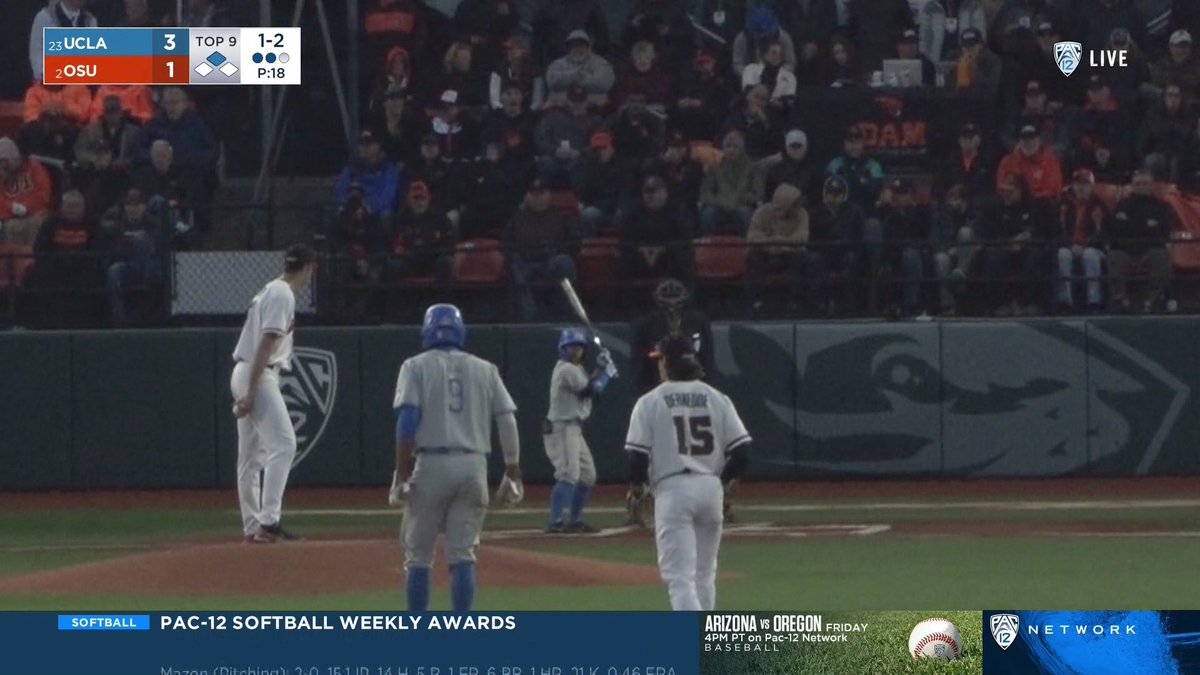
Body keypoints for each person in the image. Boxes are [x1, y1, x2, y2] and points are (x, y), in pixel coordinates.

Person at [390, 303, 523, 612]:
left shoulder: (415, 366)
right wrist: (512, 468)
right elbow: (507, 420)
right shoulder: (485, 368)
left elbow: (407, 420)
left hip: (432, 464)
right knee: (463, 556)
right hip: (474, 466)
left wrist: (401, 472)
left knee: (419, 557)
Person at [624, 334, 751, 611]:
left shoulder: (650, 402)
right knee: (705, 576)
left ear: (667, 364)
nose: (658, 366)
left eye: (661, 360)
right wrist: (723, 482)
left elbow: (637, 456)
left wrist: (638, 487)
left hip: (673, 490)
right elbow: (741, 452)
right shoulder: (717, 398)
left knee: (680, 580)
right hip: (709, 487)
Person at [230, 243, 317, 543]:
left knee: (251, 457)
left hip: (245, 370)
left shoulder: (270, 288)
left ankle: (254, 526)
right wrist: (253, 391)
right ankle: (268, 522)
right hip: (258, 372)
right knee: (285, 444)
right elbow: (267, 343)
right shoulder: (282, 293)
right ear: (308, 268)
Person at [544, 328, 618, 534]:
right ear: (563, 348)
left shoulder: (576, 369)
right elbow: (590, 391)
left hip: (574, 428)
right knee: (568, 474)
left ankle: (574, 520)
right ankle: (555, 521)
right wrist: (607, 375)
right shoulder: (565, 369)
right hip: (561, 427)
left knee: (587, 476)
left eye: (579, 347)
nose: (576, 351)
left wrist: (600, 368)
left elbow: (588, 383)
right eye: (572, 347)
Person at [505, 178, 580, 320]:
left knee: (565, 262)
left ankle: (567, 313)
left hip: (551, 261)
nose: (537, 197)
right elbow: (507, 245)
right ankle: (529, 315)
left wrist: (556, 251)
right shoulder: (517, 219)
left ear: (549, 195)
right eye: (533, 194)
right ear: (527, 196)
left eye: (541, 193)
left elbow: (573, 242)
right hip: (526, 262)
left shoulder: (560, 217)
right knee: (514, 263)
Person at [631, 278, 715, 395]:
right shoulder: (646, 325)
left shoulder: (698, 322)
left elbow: (707, 358)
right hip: (656, 387)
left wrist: (704, 387)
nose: (671, 309)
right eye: (666, 306)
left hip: (693, 386)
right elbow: (639, 363)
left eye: (676, 305)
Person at [1108, 170, 1175, 313]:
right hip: (1125, 249)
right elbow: (1114, 228)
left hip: (1151, 249)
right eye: (1137, 183)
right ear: (1132, 185)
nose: (1140, 186)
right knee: (1114, 256)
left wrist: (1129, 224)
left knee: (1162, 256)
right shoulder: (1122, 204)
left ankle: (1154, 300)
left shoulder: (1162, 206)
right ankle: (1119, 300)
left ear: (1151, 185)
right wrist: (1147, 226)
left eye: (1144, 183)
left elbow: (1164, 231)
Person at [103, 188, 169, 325]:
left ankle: (154, 316)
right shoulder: (117, 224)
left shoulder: (154, 223)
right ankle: (119, 319)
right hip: (128, 264)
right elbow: (115, 248)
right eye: (129, 205)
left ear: (144, 206)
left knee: (144, 242)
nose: (133, 209)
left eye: (137, 205)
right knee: (114, 270)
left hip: (151, 266)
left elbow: (159, 245)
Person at [745, 183, 808, 317]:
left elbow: (802, 237)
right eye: (794, 203)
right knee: (752, 257)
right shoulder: (762, 212)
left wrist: (778, 242)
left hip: (789, 254)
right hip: (766, 253)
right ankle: (756, 302)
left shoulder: (802, 213)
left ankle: (793, 303)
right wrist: (771, 245)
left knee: (801, 259)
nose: (798, 205)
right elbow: (752, 236)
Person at [1056, 170, 1108, 312]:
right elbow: (1059, 230)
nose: (1081, 188)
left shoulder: (1099, 206)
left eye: (1085, 184)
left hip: (1094, 248)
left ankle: (1094, 300)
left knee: (1090, 255)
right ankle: (1065, 301)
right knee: (1062, 254)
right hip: (1069, 246)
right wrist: (1070, 245)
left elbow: (1102, 233)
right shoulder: (1064, 205)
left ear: (1092, 186)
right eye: (1078, 184)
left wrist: (1084, 246)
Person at [699, 131, 763, 234]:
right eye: (728, 146)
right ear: (723, 148)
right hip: (719, 206)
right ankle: (708, 247)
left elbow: (757, 194)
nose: (731, 150)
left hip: (742, 205)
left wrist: (739, 199)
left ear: (742, 149)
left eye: (735, 146)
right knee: (708, 214)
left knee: (744, 214)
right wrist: (719, 201)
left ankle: (749, 247)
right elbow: (705, 193)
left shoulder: (753, 167)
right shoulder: (715, 166)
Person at [0, 137, 54, 246]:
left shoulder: (34, 168)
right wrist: (12, 208)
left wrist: (26, 208)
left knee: (42, 222)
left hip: (36, 215)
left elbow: (43, 195)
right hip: (8, 220)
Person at [29, 0, 98, 82]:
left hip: (81, 84)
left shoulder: (90, 21)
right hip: (50, 84)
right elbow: (36, 54)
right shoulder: (45, 17)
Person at [545, 31, 616, 108]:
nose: (577, 49)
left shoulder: (601, 63)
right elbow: (551, 82)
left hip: (594, 109)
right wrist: (574, 75)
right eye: (574, 46)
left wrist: (581, 78)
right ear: (568, 48)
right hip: (562, 108)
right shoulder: (557, 64)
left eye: (581, 46)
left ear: (588, 47)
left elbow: (605, 83)